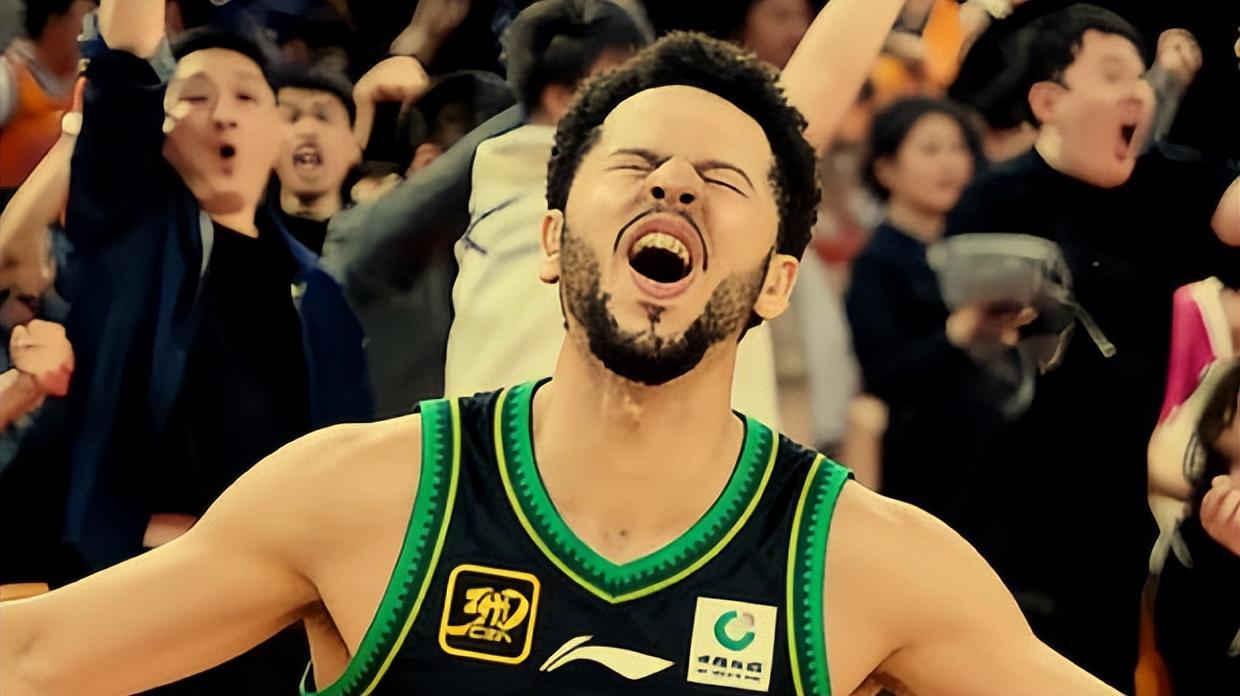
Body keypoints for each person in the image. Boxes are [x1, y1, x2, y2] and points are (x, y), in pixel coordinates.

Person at [0, 30, 1122, 696]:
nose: (673, 184)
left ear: (777, 283)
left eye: (722, 180)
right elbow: (37, 656)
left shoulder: (865, 566)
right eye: (635, 165)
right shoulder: (365, 497)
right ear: (550, 240)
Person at [944, 5, 1240, 690]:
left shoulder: (1167, 182)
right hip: (1003, 507)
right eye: (1111, 75)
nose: (1136, 90)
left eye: (1140, 75)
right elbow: (956, 353)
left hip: (1116, 516)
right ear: (1048, 102)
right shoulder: (996, 200)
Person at [846, 97, 1023, 538]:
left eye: (958, 148)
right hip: (924, 466)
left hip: (991, 456)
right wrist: (957, 333)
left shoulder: (976, 247)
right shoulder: (877, 262)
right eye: (930, 149)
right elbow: (883, 375)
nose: (949, 163)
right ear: (886, 169)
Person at [0, 0, 94, 202]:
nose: (83, 30)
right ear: (54, 23)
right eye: (80, 18)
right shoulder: (8, 79)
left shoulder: (85, 82)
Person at [272, 67, 362, 254]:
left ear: (354, 146)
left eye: (323, 117)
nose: (307, 130)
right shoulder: (236, 236)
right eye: (291, 117)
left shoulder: (380, 239)